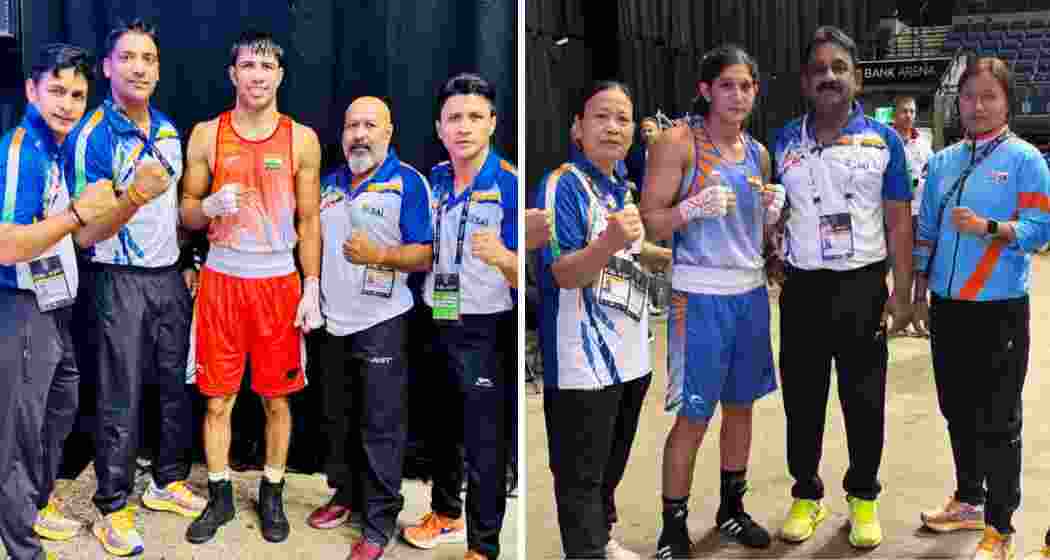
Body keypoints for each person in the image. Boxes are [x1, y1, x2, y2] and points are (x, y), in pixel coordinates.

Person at [63, 19, 206, 557]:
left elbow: (171, 211)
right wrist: (133, 198)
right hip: (115, 279)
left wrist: (187, 259)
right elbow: (84, 233)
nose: (139, 68)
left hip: (168, 276)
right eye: (127, 58)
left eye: (148, 59)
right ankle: (112, 507)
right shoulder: (93, 136)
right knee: (118, 396)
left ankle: (167, 480)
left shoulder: (167, 129)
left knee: (174, 386)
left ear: (159, 69)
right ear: (107, 67)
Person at [640, 44, 786, 557]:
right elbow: (649, 221)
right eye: (727, 85)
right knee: (694, 417)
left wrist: (774, 216)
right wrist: (690, 209)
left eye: (746, 86)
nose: (738, 95)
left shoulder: (758, 153)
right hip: (698, 298)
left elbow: (760, 240)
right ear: (705, 90)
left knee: (741, 410)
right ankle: (672, 525)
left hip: (750, 295)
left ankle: (731, 509)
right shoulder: (678, 142)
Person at [770, 26, 913, 549]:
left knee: (864, 398)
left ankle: (863, 496)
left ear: (857, 79)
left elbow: (899, 222)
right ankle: (806, 493)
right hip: (803, 289)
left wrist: (901, 294)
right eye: (818, 70)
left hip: (862, 287)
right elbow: (774, 211)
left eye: (839, 68)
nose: (828, 76)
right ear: (804, 81)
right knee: (802, 399)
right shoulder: (784, 140)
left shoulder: (884, 141)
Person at [179, 30, 323, 545]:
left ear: (279, 76)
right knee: (217, 400)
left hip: (277, 282)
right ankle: (219, 495)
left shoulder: (301, 139)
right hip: (222, 278)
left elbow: (310, 219)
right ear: (232, 74)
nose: (257, 75)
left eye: (266, 66)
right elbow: (186, 212)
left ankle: (273, 492)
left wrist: (312, 285)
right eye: (248, 65)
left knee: (277, 400)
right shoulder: (206, 134)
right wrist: (207, 207)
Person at [914, 57, 1050, 560]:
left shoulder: (1026, 160)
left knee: (999, 419)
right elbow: (926, 230)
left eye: (989, 96)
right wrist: (918, 293)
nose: (977, 106)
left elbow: (1041, 229)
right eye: (969, 96)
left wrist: (989, 228)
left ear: (1008, 102)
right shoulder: (943, 162)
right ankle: (970, 498)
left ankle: (1000, 527)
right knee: (957, 409)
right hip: (948, 307)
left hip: (1000, 309)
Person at [0, 43, 118, 560]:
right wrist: (75, 214)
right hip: (20, 305)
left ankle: (30, 505)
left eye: (76, 94)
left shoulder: (57, 147)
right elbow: (6, 245)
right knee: (20, 436)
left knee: (61, 408)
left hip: (54, 306)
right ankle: (23, 548)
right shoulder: (22, 150)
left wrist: (127, 200)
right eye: (56, 91)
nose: (67, 104)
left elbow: (77, 233)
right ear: (31, 90)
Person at [536, 81, 662, 560]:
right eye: (601, 116)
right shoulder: (563, 185)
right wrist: (609, 242)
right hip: (583, 363)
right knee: (579, 478)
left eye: (622, 118)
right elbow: (564, 273)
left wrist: (677, 258)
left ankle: (602, 539)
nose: (612, 127)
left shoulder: (622, 187)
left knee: (609, 467)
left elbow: (632, 255)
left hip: (631, 354)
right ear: (578, 127)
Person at [307, 96, 434, 560]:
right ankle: (345, 495)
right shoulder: (329, 183)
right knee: (337, 418)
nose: (359, 135)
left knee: (380, 426)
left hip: (383, 321)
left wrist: (380, 256)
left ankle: (379, 523)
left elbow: (427, 253)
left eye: (370, 125)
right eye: (351, 126)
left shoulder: (407, 182)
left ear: (389, 132)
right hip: (332, 321)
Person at [399, 73, 517, 560]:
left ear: (492, 122)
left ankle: (483, 548)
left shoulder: (508, 183)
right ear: (439, 127)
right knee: (441, 427)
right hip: (439, 311)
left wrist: (504, 259)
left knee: (484, 443)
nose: (463, 127)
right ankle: (445, 513)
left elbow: (534, 274)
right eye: (454, 118)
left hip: (485, 327)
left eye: (474, 116)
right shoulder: (438, 178)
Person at [891, 95, 933, 336]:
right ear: (895, 115)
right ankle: (897, 311)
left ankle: (917, 312)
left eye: (912, 111)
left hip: (919, 214)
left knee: (920, 264)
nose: (908, 115)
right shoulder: (886, 141)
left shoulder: (924, 144)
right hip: (894, 215)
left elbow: (931, 175)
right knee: (897, 266)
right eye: (904, 111)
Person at [624, 116, 661, 191]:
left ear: (658, 131)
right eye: (644, 131)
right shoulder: (634, 153)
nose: (647, 134)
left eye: (650, 131)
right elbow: (626, 175)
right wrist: (629, 183)